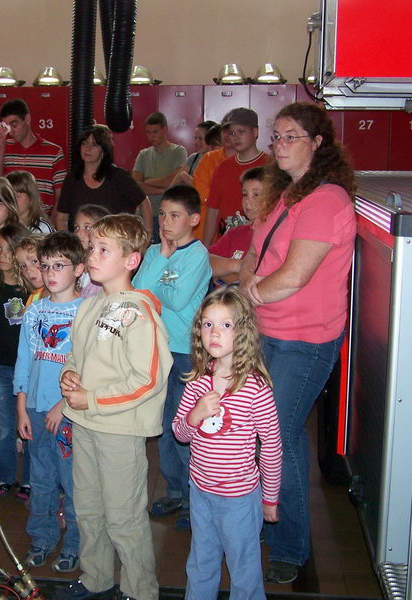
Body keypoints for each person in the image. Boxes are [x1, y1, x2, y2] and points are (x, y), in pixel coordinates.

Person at [238, 102, 357, 584]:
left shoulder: (326, 200)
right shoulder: (283, 195)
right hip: (266, 334)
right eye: (277, 136)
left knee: (277, 436)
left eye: (291, 136)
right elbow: (253, 250)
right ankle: (272, 525)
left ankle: (290, 545)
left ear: (317, 144)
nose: (280, 144)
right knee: (264, 434)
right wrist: (250, 287)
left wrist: (248, 295)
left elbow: (294, 276)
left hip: (305, 343)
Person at [57, 214, 173, 600]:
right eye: (91, 248)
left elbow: (148, 378)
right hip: (86, 424)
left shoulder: (139, 313)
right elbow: (77, 356)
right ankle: (96, 578)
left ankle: (140, 591)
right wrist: (70, 376)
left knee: (124, 516)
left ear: (131, 260)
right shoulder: (90, 307)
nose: (92, 255)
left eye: (104, 249)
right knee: (88, 509)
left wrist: (93, 398)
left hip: (119, 430)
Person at [173, 287, 282, 600]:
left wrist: (270, 498)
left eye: (225, 325)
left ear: (243, 332)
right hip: (201, 491)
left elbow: (272, 446)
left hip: (239, 498)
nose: (214, 333)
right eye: (207, 325)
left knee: (244, 568)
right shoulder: (197, 381)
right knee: (201, 562)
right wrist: (196, 414)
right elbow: (180, 433)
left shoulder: (255, 388)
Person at [133, 185, 211, 531]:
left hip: (185, 353)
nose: (165, 222)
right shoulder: (155, 252)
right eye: (162, 214)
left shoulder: (198, 255)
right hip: (156, 350)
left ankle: (196, 500)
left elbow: (177, 301)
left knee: (187, 428)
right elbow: (137, 293)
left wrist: (156, 285)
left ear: (194, 220)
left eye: (174, 215)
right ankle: (176, 491)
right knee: (162, 427)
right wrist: (161, 260)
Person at [14, 231, 86, 573]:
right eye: (46, 266)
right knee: (40, 480)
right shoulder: (34, 311)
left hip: (68, 414)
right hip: (36, 409)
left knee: (72, 481)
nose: (51, 272)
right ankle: (41, 538)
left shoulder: (86, 312)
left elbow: (88, 366)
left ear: (79, 269)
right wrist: (21, 408)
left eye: (59, 265)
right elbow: (25, 361)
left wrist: (65, 406)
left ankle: (74, 543)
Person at [0, 223, 32, 499]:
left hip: (29, 371)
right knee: (3, 425)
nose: (2, 255)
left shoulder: (34, 292)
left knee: (30, 426)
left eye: (8, 249)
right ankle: (3, 476)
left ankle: (29, 479)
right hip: (1, 367)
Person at [54, 124, 151, 231]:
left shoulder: (119, 177)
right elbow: (62, 218)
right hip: (80, 244)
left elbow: (144, 203)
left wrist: (148, 235)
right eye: (84, 143)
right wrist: (68, 244)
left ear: (104, 151)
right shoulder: (72, 179)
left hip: (115, 243)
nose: (88, 148)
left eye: (94, 145)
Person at [202, 108, 268, 246]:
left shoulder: (270, 165)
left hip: (258, 244)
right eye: (232, 133)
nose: (235, 137)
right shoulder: (223, 168)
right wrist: (206, 248)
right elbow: (213, 210)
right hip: (227, 244)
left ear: (255, 132)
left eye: (241, 132)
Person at [0, 98, 67, 215]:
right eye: (6, 127)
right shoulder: (5, 148)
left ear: (27, 119)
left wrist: (51, 225)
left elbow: (60, 197)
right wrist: (1, 149)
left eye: (14, 125)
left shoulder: (53, 152)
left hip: (42, 218)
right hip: (12, 218)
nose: (11, 132)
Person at [132, 112, 188, 240]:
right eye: (148, 132)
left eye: (155, 132)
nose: (151, 136)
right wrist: (162, 190)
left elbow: (174, 179)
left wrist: (149, 180)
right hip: (145, 214)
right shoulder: (143, 154)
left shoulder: (178, 152)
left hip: (168, 215)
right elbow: (135, 184)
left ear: (165, 130)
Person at [209, 166, 265, 285]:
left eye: (256, 194)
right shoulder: (236, 233)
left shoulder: (276, 237)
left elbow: (257, 283)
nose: (247, 200)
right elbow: (204, 261)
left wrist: (222, 272)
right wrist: (239, 265)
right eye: (245, 194)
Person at [188, 124, 229, 237]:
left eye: (214, 146)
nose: (211, 150)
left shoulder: (235, 162)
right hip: (204, 225)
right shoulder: (206, 161)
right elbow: (202, 192)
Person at [71, 204, 110, 298]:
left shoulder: (102, 272)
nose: (79, 233)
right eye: (76, 227)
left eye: (87, 228)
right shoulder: (72, 263)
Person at [15, 234, 47, 305]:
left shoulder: (62, 294)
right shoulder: (33, 299)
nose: (28, 270)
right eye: (23, 266)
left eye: (34, 261)